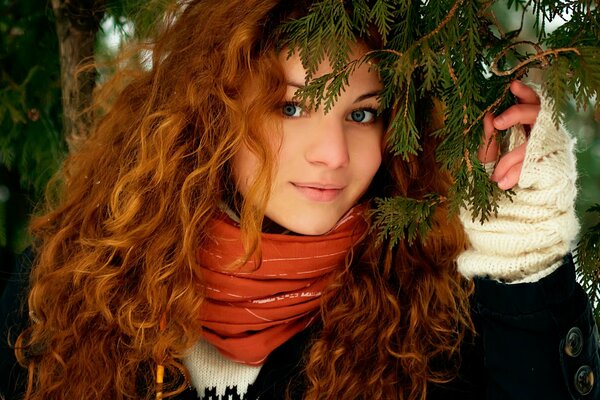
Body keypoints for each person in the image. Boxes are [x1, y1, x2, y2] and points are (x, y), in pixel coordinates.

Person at [1, 0, 598, 399]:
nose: (333, 154)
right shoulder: (69, 285)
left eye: (362, 114)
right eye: (288, 107)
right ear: (211, 114)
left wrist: (528, 265)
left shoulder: (434, 306)